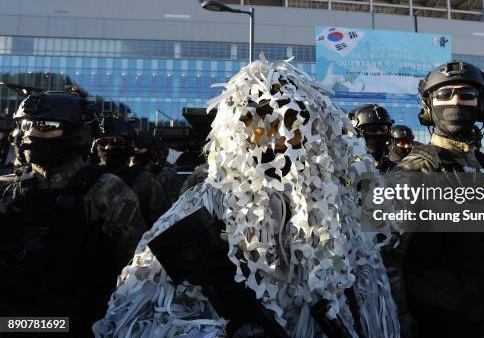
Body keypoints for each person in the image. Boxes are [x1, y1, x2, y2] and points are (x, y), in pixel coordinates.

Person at [94, 59, 399, 338]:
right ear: (238, 127)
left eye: (292, 117)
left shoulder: (339, 208)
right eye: (262, 117)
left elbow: (370, 298)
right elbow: (137, 309)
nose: (279, 134)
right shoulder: (200, 208)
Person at [386, 60, 484, 337]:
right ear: (429, 106)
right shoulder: (410, 171)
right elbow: (386, 259)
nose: (455, 101)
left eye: (467, 95)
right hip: (437, 321)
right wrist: (399, 317)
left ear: (481, 105)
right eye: (444, 95)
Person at [0, 91, 146, 336]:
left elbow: (137, 271)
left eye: (45, 125)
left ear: (77, 133)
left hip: (83, 324)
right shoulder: (6, 188)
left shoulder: (107, 191)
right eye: (26, 125)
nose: (31, 134)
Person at [93, 114, 171, 228]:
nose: (107, 148)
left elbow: (166, 225)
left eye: (115, 142)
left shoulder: (145, 182)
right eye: (102, 142)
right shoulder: (87, 179)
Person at [348, 103, 394, 171]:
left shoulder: (394, 168)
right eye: (372, 129)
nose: (378, 133)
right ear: (356, 133)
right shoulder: (344, 167)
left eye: (383, 129)